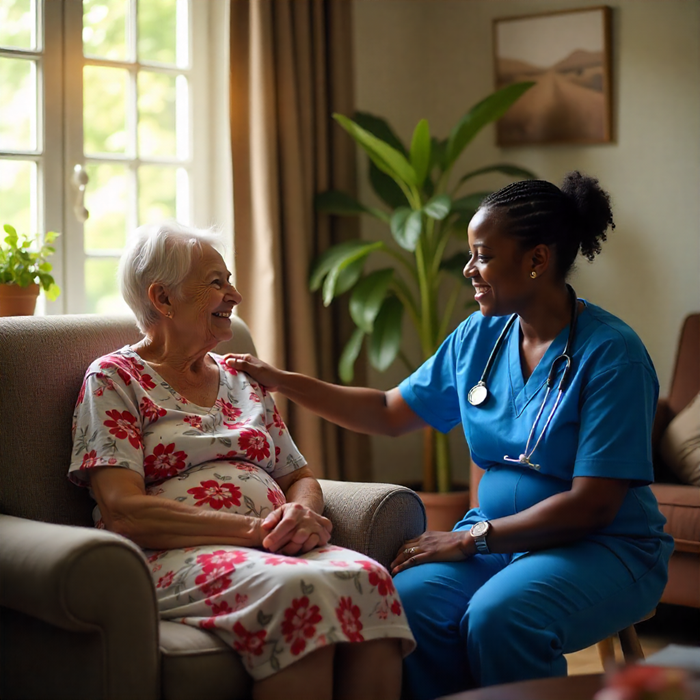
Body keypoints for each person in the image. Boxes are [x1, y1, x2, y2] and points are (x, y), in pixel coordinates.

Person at [227, 173, 674, 700]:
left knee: (500, 617)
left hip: (600, 546)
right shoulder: (478, 336)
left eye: (482, 256)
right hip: (495, 540)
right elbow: (390, 410)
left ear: (536, 260)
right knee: (407, 601)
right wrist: (286, 382)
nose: (469, 270)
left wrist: (469, 538)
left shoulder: (611, 354)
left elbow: (593, 507)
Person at [68, 221, 415, 700]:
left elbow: (299, 475)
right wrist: (254, 532)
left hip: (269, 545)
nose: (234, 294)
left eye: (228, 280)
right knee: (299, 593)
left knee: (371, 580)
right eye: (216, 282)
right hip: (166, 555)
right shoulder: (113, 379)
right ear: (162, 299)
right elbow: (122, 510)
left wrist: (302, 512)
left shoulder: (241, 378)